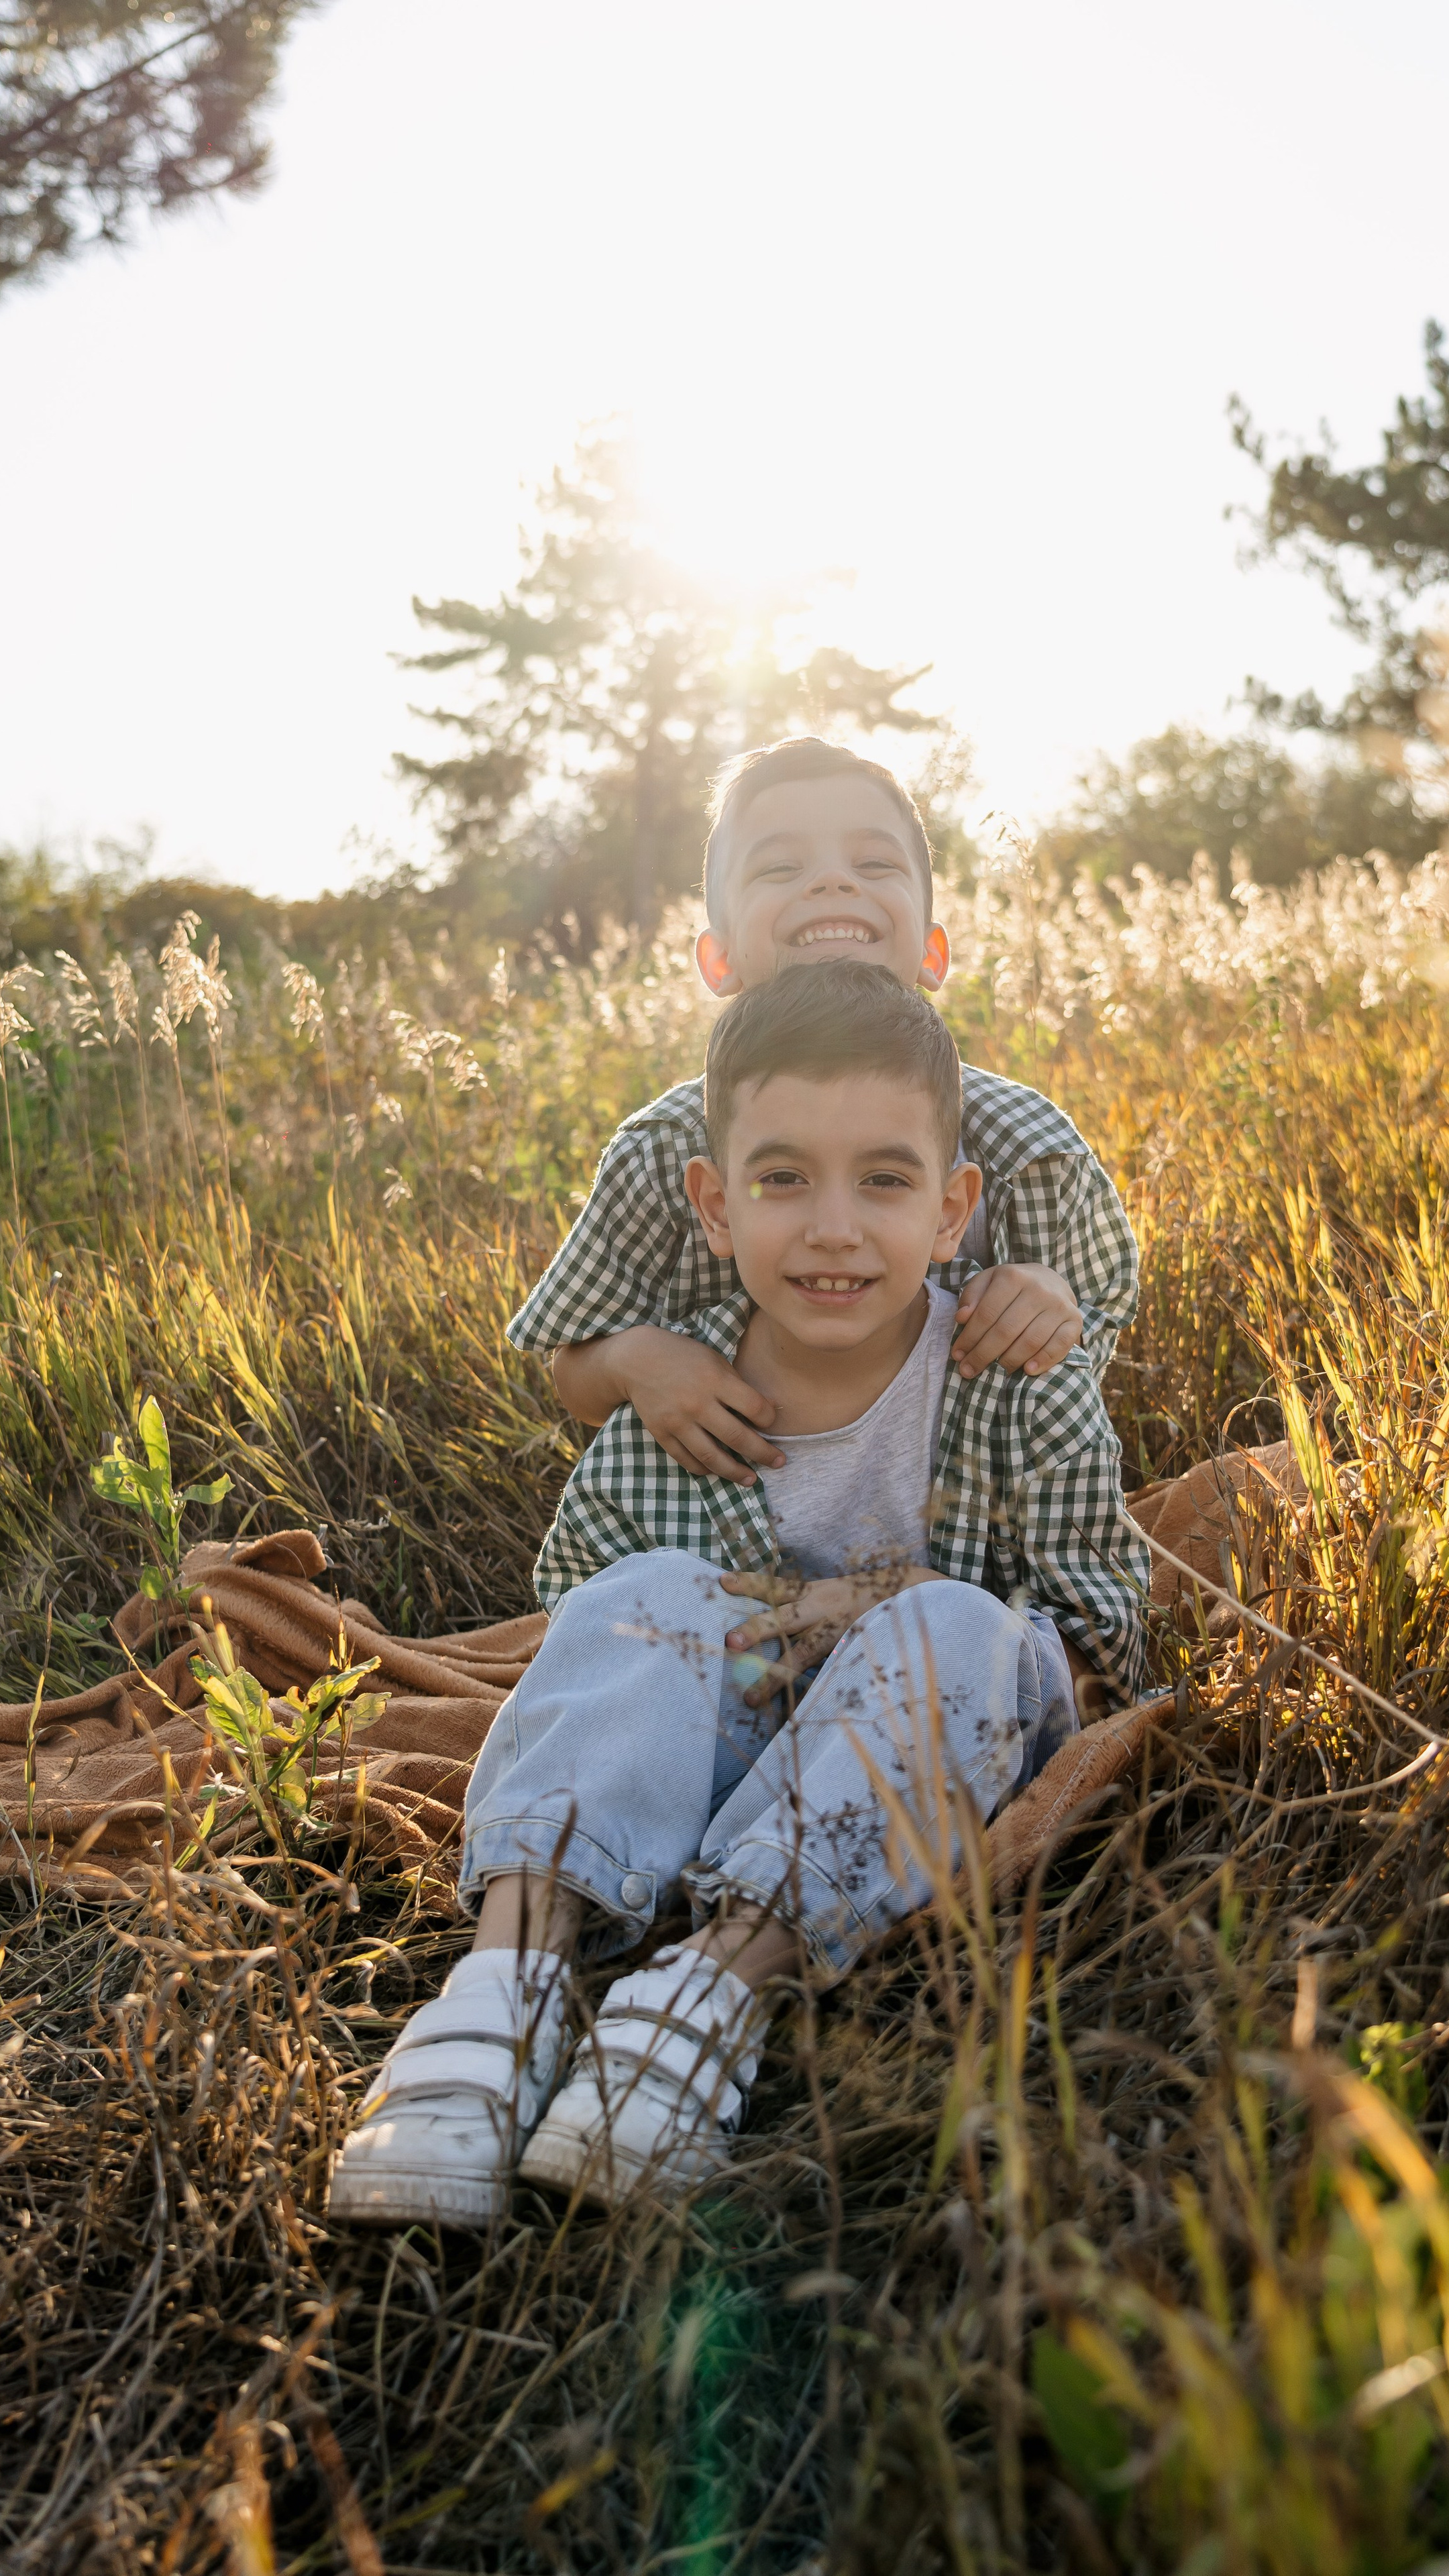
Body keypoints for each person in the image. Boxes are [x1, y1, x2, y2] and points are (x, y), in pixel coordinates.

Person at [328, 963, 1148, 2233]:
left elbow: (1099, 1634)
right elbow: (592, 1647)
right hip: (725, 1745)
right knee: (643, 1589)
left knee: (961, 1626)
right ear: (715, 1207)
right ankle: (508, 1985)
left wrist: (882, 1602)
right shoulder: (678, 1404)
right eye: (783, 1180)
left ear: (954, 1211)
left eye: (885, 1180)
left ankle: (711, 1991)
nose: (834, 1227)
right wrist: (720, 1637)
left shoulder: (1019, 1383)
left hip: (912, 1741)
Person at [508, 734, 1140, 1489]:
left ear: (933, 953)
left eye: (873, 864)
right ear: (719, 960)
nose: (833, 882)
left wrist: (1054, 1302)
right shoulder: (661, 1151)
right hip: (727, 1524)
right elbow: (573, 1371)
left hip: (967, 1527)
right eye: (781, 867)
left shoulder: (1029, 1150)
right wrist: (632, 1361)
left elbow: (1092, 1339)